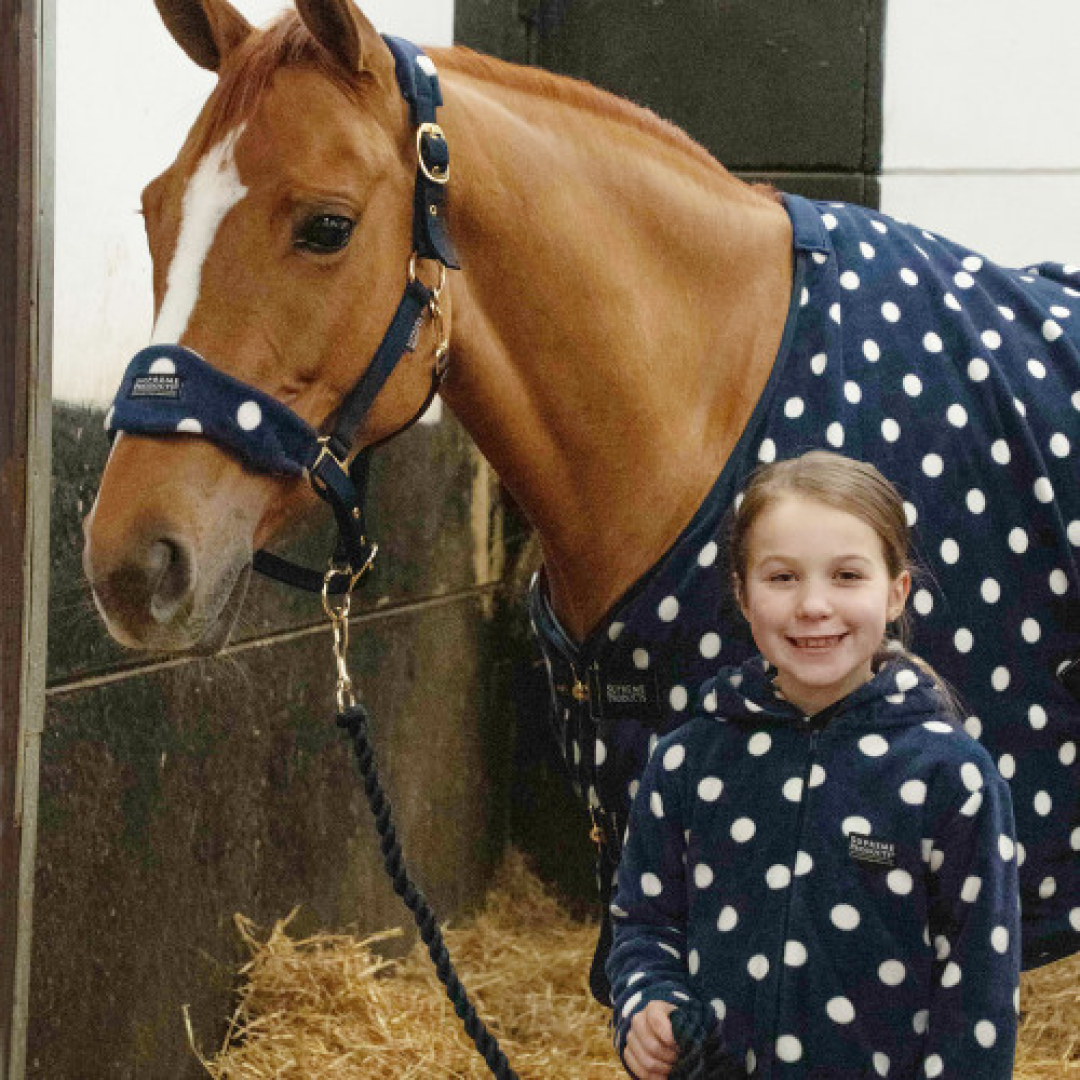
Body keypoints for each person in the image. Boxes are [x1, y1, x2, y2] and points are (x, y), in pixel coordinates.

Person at [606, 450, 1020, 1080]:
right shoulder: (687, 759)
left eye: (848, 576)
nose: (814, 605)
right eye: (782, 578)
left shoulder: (952, 777)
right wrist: (648, 1006)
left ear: (895, 593)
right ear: (743, 597)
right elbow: (644, 925)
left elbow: (977, 992)